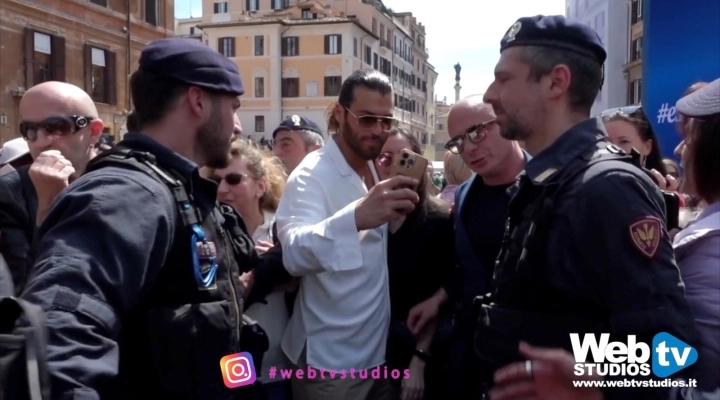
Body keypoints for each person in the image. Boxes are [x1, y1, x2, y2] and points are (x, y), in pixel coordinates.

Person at [478, 15, 700, 399]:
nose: (489, 94)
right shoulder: (546, 180)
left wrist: (588, 379)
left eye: (504, 78)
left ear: (555, 82)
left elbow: (673, 355)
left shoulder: (607, 189)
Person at [20, 38, 254, 399]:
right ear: (198, 101)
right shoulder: (127, 193)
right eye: (233, 106)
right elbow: (57, 328)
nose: (237, 126)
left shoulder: (182, 189)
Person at [275, 69, 418, 400]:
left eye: (386, 121)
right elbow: (293, 253)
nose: (378, 131)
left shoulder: (371, 166)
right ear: (341, 114)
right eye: (367, 119)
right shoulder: (310, 175)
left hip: (377, 355)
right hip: (329, 364)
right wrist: (355, 218)